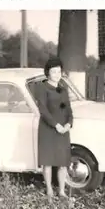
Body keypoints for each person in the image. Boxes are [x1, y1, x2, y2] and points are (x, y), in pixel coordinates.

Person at [35, 57, 74, 199]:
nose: (57, 74)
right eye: (53, 71)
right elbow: (43, 110)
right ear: (48, 73)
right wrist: (56, 125)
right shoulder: (42, 88)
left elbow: (68, 109)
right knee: (48, 162)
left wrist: (69, 123)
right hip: (48, 129)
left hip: (63, 130)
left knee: (62, 162)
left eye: (59, 71)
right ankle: (49, 190)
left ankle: (62, 191)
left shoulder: (63, 89)